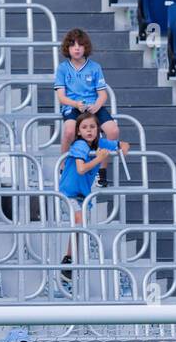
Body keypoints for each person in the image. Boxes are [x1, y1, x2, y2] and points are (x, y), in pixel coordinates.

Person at [58, 111, 129, 281]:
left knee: (79, 226)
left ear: (98, 129)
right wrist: (100, 159)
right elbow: (81, 169)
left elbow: (124, 145)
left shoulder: (101, 143)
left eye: (92, 127)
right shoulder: (79, 145)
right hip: (68, 194)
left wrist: (121, 148)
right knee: (79, 222)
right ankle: (69, 262)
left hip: (83, 195)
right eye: (84, 127)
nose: (89, 130)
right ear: (78, 132)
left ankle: (69, 260)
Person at [54, 27, 120, 187]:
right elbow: (61, 97)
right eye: (73, 45)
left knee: (113, 131)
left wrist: (96, 106)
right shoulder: (63, 68)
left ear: (86, 48)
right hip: (73, 106)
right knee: (69, 131)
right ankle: (63, 168)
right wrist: (76, 104)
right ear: (67, 48)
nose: (76, 48)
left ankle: (101, 172)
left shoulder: (95, 67)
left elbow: (103, 94)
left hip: (93, 107)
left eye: (80, 45)